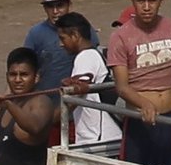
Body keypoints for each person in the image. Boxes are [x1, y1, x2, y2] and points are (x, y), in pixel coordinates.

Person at [106, 0, 171, 165]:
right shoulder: (120, 37)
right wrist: (144, 104)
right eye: (141, 0)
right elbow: (122, 86)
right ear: (132, 1)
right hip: (140, 123)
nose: (146, 7)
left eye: (152, 0)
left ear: (161, 0)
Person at [52, 15, 121, 146]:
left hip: (98, 139)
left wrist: (52, 119)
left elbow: (75, 96)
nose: (61, 44)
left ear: (75, 35)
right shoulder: (96, 54)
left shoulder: (86, 57)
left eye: (62, 38)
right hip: (105, 136)